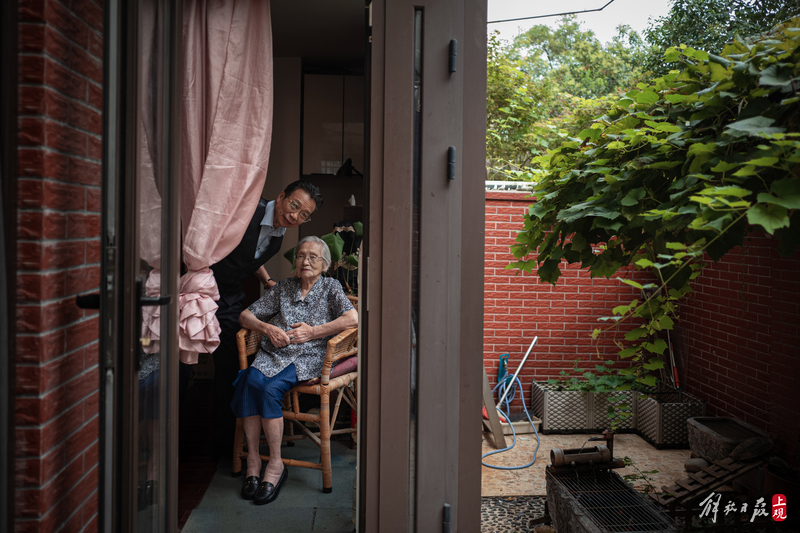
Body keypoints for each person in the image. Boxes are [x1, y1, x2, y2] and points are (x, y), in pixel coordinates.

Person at [231, 236, 358, 505]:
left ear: (325, 264)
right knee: (248, 382)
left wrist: (313, 332)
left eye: (313, 257)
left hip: (306, 357)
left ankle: (275, 465)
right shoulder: (283, 287)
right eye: (301, 256)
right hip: (274, 352)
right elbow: (245, 316)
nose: (306, 261)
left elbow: (352, 318)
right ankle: (253, 460)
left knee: (268, 389)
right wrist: (268, 328)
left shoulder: (331, 287)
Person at [209, 181, 323, 461]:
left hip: (230, 294)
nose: (296, 216)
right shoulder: (247, 209)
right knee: (183, 360)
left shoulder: (280, 230)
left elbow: (250, 255)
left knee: (231, 365)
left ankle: (226, 445)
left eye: (304, 215)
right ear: (282, 195)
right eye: (294, 206)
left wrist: (268, 280)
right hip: (204, 285)